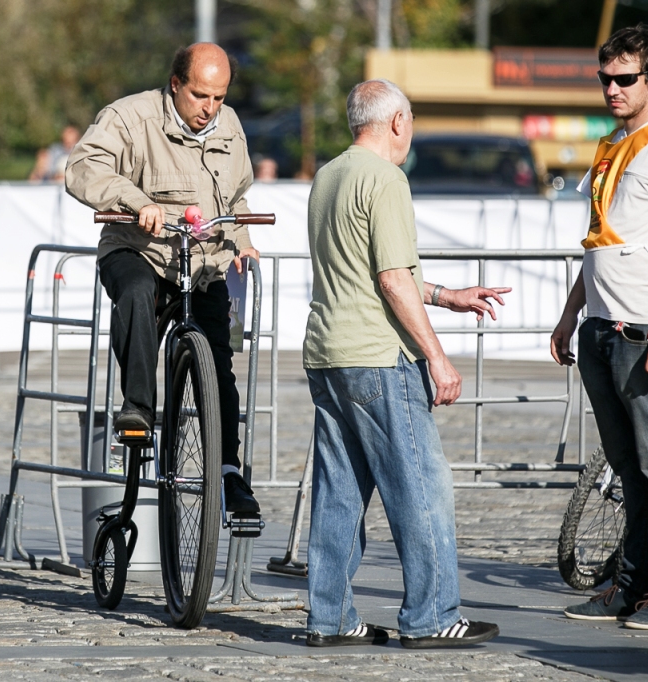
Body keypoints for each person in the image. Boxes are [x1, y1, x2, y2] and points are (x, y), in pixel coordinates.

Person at [302, 78, 507, 649]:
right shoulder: (386, 179)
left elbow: (376, 272)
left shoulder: (330, 175)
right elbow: (392, 280)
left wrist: (447, 295)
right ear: (397, 122)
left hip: (328, 352)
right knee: (420, 488)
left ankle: (330, 617)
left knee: (339, 492)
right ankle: (432, 614)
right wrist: (436, 358)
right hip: (378, 357)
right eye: (411, 120)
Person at [550, 25, 648, 630]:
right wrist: (572, 312)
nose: (612, 89)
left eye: (625, 79)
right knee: (630, 467)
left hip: (647, 330)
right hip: (603, 325)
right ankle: (633, 582)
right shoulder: (613, 143)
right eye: (605, 79)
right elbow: (601, 239)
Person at [64, 43, 261, 515]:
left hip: (201, 263)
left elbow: (237, 197)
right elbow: (81, 168)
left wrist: (245, 236)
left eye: (219, 97)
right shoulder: (130, 117)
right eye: (199, 96)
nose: (209, 108)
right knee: (135, 292)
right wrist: (134, 201)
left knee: (218, 361)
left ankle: (228, 471)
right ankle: (137, 410)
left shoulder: (229, 126)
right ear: (175, 84)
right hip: (139, 252)